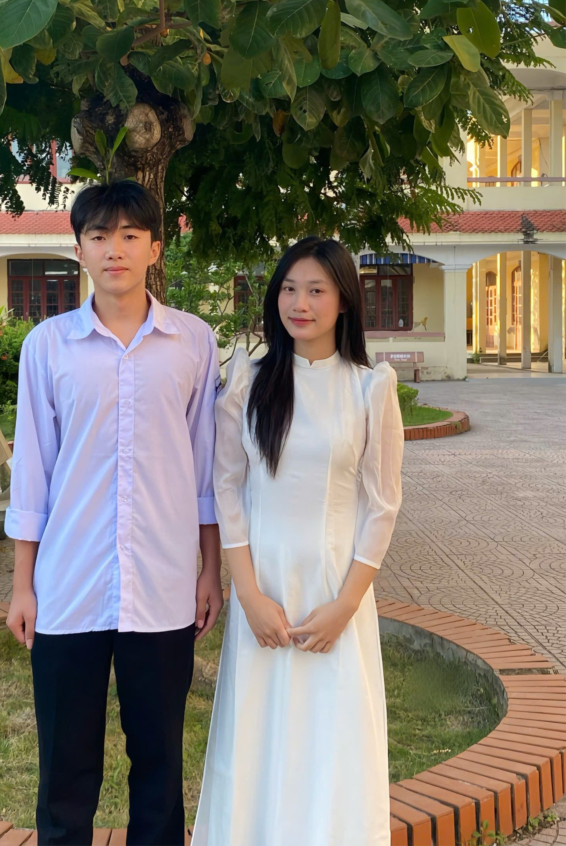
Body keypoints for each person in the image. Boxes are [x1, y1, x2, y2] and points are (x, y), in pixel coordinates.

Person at [5, 180, 224, 846]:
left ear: (155, 248)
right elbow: (33, 474)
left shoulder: (193, 342)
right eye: (99, 236)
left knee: (158, 765)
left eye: (131, 235)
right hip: (69, 587)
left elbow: (205, 469)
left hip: (161, 586)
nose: (115, 249)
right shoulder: (47, 347)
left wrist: (210, 571)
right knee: (65, 771)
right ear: (79, 249)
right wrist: (22, 586)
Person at [193, 236, 404, 846]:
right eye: (288, 289)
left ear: (344, 300)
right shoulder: (249, 382)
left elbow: (382, 506)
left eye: (315, 290)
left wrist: (346, 605)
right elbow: (227, 489)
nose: (299, 303)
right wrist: (249, 596)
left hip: (336, 593)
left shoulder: (369, 388)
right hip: (264, 591)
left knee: (333, 738)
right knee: (256, 737)